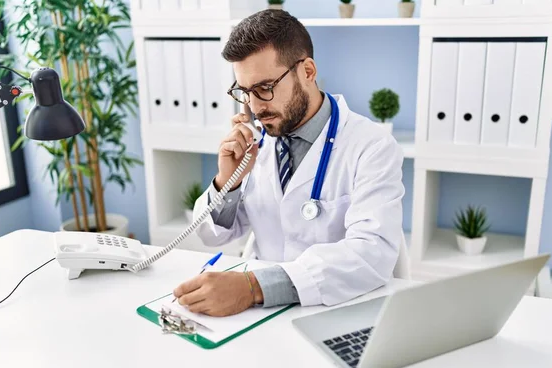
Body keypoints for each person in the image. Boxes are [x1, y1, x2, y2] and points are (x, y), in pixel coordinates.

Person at [172, 9, 405, 317]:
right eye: (245, 92)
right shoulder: (256, 143)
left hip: (337, 309)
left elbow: (371, 254)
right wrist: (229, 181)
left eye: (265, 88)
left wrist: (254, 287)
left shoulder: (371, 146)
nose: (255, 107)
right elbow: (214, 235)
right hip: (257, 314)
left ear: (307, 71)